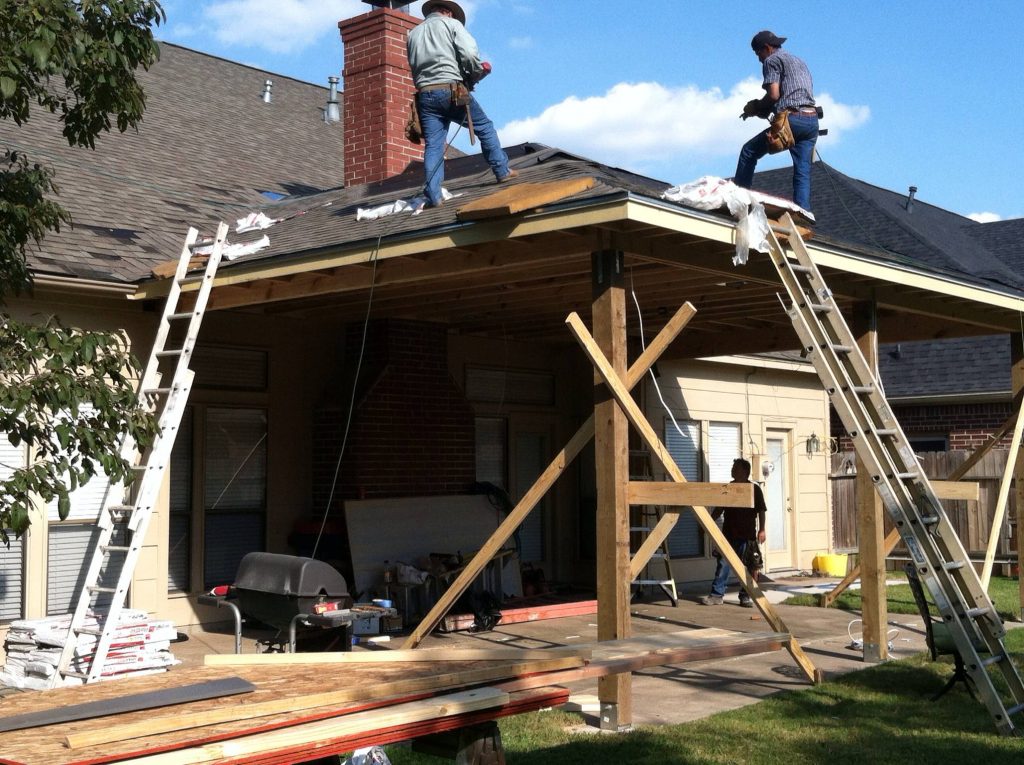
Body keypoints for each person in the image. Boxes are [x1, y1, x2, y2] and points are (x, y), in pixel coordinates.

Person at [406, 0, 516, 208]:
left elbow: (415, 65)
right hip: (450, 90)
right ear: (447, 12)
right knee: (484, 126)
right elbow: (468, 54)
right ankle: (502, 171)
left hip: (425, 96)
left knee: (434, 145)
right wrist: (475, 72)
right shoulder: (452, 25)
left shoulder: (413, 34)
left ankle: (434, 194)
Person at [733, 30, 819, 212]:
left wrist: (756, 106)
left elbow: (773, 95)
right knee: (803, 171)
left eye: (758, 54)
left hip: (792, 120)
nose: (759, 59)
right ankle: (803, 212)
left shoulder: (771, 60)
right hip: (811, 121)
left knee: (748, 152)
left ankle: (738, 201)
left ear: (767, 48)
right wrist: (761, 110)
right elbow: (788, 94)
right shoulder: (798, 61)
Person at [700, 458, 767, 608]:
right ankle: (717, 595)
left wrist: (762, 529)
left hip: (747, 535)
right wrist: (708, 521)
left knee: (747, 567)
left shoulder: (754, 489)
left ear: (744, 471)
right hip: (729, 534)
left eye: (735, 467)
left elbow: (761, 510)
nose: (732, 470)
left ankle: (745, 596)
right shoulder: (729, 487)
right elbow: (719, 508)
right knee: (723, 564)